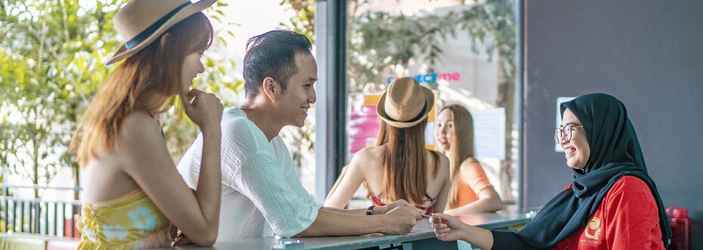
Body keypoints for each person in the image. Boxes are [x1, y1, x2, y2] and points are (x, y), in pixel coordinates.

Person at [177, 30, 419, 241]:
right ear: (271, 88)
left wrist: (378, 212)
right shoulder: (238, 132)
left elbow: (307, 211)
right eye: (306, 85)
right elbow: (293, 223)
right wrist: (386, 223)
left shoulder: (271, 140)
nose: (313, 97)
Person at [431, 93, 672, 250]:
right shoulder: (576, 192)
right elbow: (527, 244)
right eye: (561, 132)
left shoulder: (627, 189)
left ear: (599, 130)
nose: (564, 141)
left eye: (571, 129)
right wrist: (465, 231)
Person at [72, 0, 223, 248]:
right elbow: (205, 230)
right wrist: (212, 130)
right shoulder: (134, 127)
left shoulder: (137, 119)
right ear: (167, 47)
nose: (201, 67)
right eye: (197, 52)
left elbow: (194, 218)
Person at [324, 77, 451, 217]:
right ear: (424, 121)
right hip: (424, 239)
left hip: (383, 239)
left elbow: (328, 212)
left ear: (385, 119)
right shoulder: (442, 163)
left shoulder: (366, 158)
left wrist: (344, 173)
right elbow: (437, 222)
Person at [435, 104, 503, 216]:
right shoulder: (440, 167)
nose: (442, 131)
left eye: (450, 125)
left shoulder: (468, 165)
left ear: (462, 131)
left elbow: (494, 201)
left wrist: (446, 216)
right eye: (439, 125)